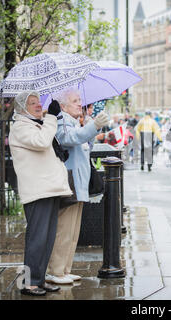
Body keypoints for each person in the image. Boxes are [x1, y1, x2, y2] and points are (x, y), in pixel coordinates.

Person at [9, 91, 73, 296]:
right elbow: (40, 142)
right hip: (37, 191)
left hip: (49, 188)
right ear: (21, 108)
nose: (38, 106)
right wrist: (52, 117)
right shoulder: (20, 126)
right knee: (36, 238)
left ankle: (39, 279)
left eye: (38, 102)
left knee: (46, 239)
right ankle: (28, 283)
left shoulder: (35, 124)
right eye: (32, 103)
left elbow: (45, 145)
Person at [44, 88, 109, 285]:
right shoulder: (61, 121)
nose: (79, 103)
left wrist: (90, 124)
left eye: (79, 100)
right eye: (75, 101)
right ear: (63, 106)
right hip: (69, 182)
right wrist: (92, 126)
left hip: (77, 183)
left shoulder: (73, 121)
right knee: (64, 230)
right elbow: (69, 138)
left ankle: (65, 269)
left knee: (73, 231)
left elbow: (85, 143)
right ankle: (55, 270)